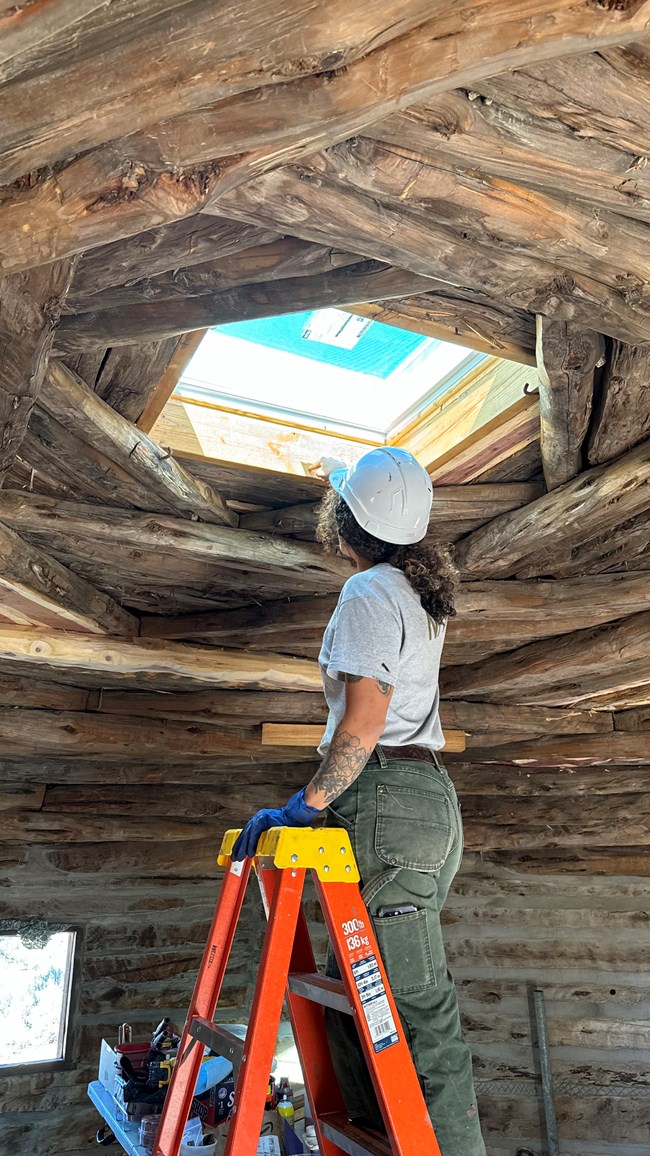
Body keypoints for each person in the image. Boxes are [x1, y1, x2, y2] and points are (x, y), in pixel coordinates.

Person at [232, 447, 486, 1156]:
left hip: (384, 803)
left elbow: (365, 723)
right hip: (420, 802)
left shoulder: (369, 593)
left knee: (416, 1004)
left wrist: (305, 804)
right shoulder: (414, 592)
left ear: (345, 525)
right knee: (360, 988)